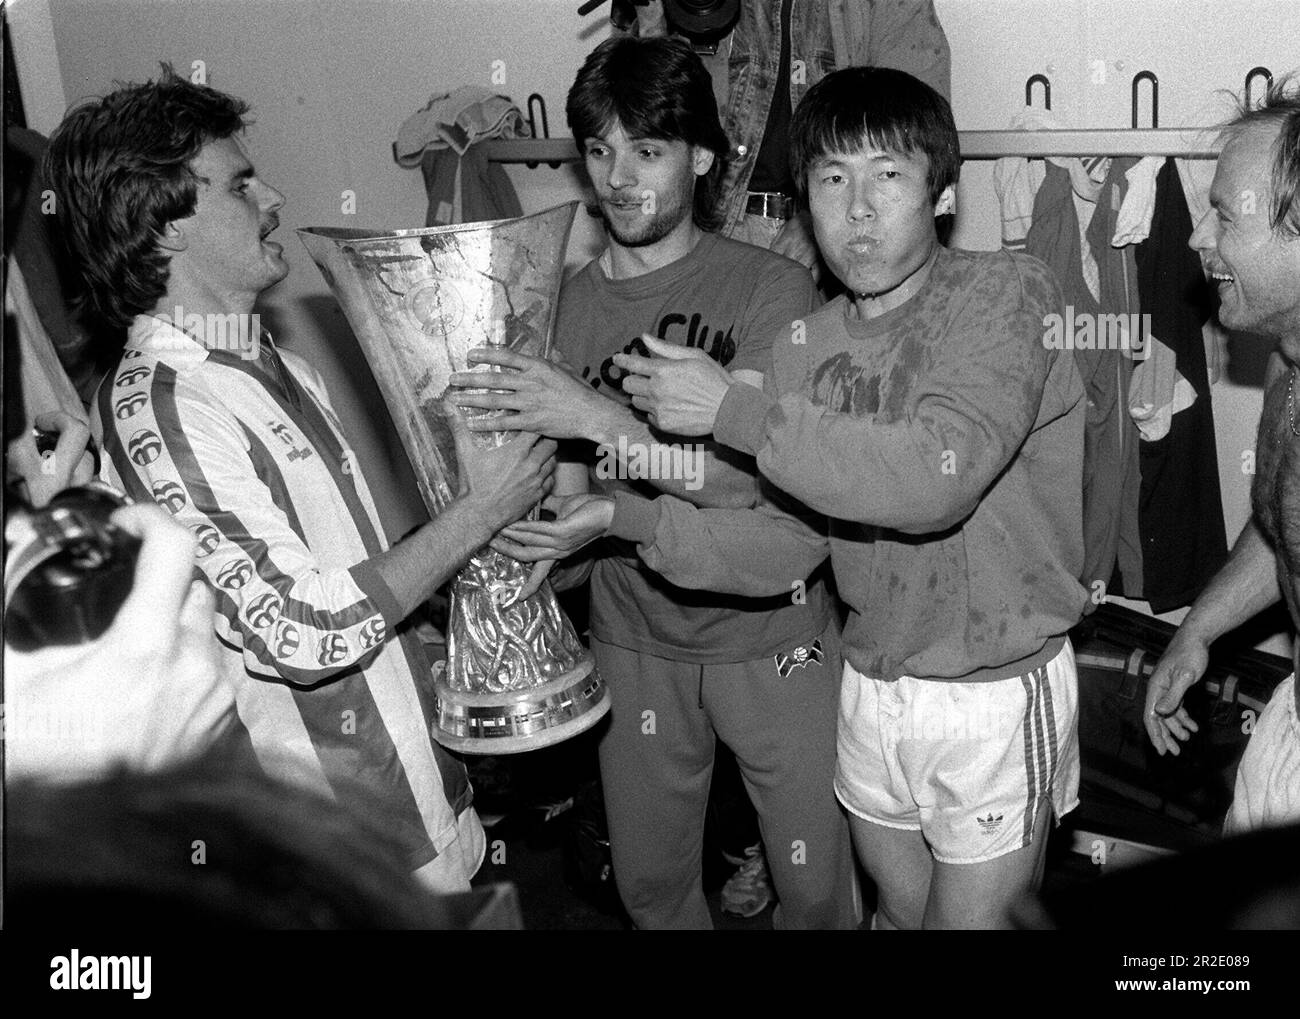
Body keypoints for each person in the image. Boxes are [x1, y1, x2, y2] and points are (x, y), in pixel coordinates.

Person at [518, 66, 1090, 929]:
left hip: (990, 690)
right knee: (893, 917)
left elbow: (937, 475)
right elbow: (787, 544)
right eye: (831, 178)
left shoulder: (1006, 293)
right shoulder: (804, 346)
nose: (857, 208)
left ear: (941, 195)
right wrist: (624, 516)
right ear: (803, 201)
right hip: (868, 681)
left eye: (887, 175)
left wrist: (732, 410)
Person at [43, 65, 557, 893]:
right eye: (242, 183)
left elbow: (338, 579)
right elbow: (301, 629)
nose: (273, 195)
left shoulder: (274, 365)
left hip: (425, 797)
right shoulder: (159, 409)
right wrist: (481, 511)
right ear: (164, 223)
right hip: (339, 857)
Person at [449, 35, 856, 930]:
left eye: (648, 149)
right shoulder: (553, 301)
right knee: (649, 890)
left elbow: (743, 487)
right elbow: (552, 487)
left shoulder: (773, 288)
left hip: (772, 633)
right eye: (599, 150)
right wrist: (535, 542)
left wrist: (598, 424)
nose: (619, 176)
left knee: (817, 889)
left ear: (702, 156)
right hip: (633, 638)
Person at [1143, 77, 1300, 836]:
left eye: (1225, 218)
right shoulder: (1286, 364)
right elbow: (1282, 528)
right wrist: (1197, 629)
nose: (1199, 237)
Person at [625, 0, 950, 278]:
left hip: (835, 230)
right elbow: (647, 116)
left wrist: (815, 223)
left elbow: (917, 127)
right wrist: (652, 23)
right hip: (704, 223)